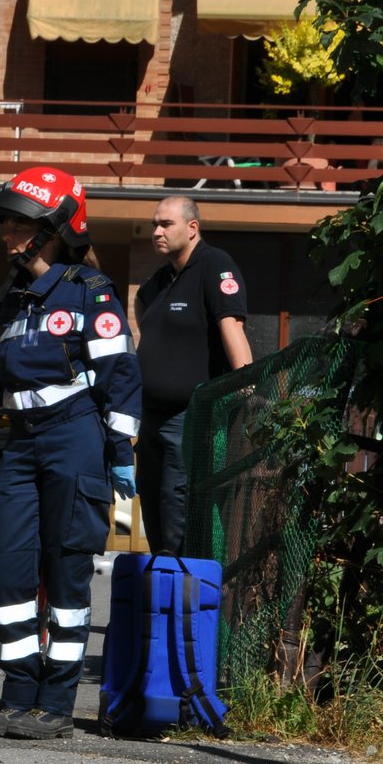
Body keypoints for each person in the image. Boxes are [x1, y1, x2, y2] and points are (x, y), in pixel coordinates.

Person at [0, 167, 141, 740]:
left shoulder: (90, 291)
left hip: (75, 439)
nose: (6, 233)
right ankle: (18, 697)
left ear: (50, 228)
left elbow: (120, 374)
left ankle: (58, 705)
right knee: (10, 569)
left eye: (18, 222)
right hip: (22, 441)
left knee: (67, 572)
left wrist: (119, 450)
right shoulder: (13, 294)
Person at [133, 195, 252, 557]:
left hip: (190, 415)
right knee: (151, 500)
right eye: (154, 224)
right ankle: (164, 587)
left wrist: (248, 388)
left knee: (177, 503)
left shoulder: (214, 264)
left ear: (192, 228)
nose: (156, 232)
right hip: (150, 418)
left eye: (165, 224)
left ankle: (185, 598)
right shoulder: (158, 281)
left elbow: (231, 326)